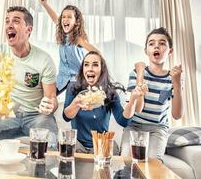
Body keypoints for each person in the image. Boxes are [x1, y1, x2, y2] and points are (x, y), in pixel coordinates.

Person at [0, 6, 59, 148]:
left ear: (28, 30)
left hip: (37, 116)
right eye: (7, 21)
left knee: (51, 141)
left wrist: (50, 105)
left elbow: (52, 98)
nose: (9, 25)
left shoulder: (44, 59)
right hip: (8, 116)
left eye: (16, 21)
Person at [120, 27, 183, 161]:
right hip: (134, 126)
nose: (156, 46)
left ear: (170, 51)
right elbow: (138, 108)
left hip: (158, 128)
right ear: (146, 51)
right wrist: (140, 76)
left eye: (162, 43)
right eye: (152, 43)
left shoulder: (174, 78)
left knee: (154, 162)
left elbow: (177, 115)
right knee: (125, 161)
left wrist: (176, 84)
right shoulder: (136, 73)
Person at [63, 51, 143, 153]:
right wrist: (76, 104)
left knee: (113, 148)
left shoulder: (110, 92)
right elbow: (66, 117)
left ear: (102, 70)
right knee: (65, 145)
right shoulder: (73, 87)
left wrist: (132, 100)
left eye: (95, 65)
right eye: (86, 65)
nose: (90, 68)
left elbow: (123, 121)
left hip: (101, 145)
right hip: (77, 144)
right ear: (82, 69)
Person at [40, 0, 100, 94]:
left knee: (71, 102)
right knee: (47, 94)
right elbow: (55, 17)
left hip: (76, 78)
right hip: (63, 77)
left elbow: (97, 53)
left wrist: (90, 68)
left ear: (76, 22)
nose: (65, 19)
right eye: (63, 17)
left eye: (69, 17)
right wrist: (45, 4)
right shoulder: (63, 35)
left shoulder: (78, 39)